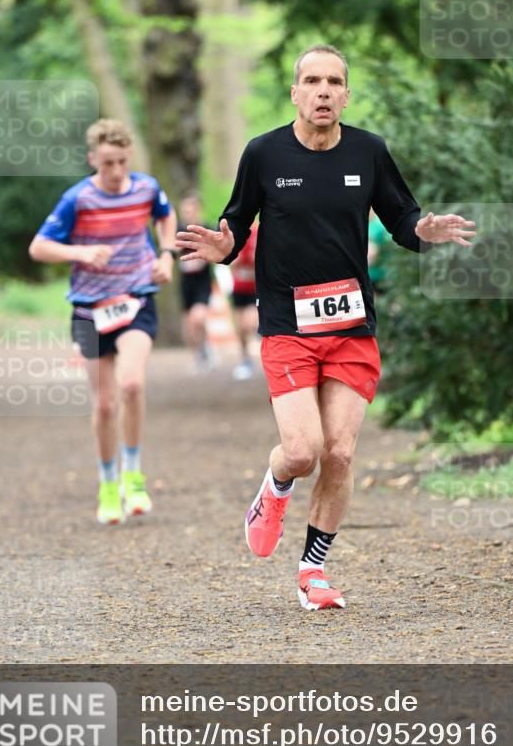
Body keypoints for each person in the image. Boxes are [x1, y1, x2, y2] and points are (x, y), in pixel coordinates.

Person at [177, 44, 476, 611]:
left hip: (351, 327)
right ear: (295, 92)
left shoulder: (369, 151)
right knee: (303, 450)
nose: (322, 91)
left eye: (333, 82)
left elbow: (403, 219)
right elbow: (235, 225)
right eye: (311, 81)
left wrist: (426, 231)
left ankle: (312, 572)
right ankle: (275, 485)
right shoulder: (263, 154)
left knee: (339, 453)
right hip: (287, 324)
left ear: (345, 94)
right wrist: (221, 246)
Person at [29, 119, 176, 525]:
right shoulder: (78, 199)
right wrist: (80, 254)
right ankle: (108, 484)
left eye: (122, 162)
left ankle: (134, 475)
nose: (115, 172)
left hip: (136, 300)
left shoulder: (146, 187)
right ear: (93, 158)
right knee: (106, 404)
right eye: (107, 163)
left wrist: (165, 255)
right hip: (89, 311)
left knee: (132, 383)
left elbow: (165, 215)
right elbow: (38, 247)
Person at [176, 194, 215, 371]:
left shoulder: (207, 230)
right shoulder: (178, 232)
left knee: (197, 318)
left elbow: (219, 255)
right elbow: (170, 252)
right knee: (189, 327)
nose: (187, 214)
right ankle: (199, 354)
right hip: (186, 284)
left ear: (198, 210)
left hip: (203, 282)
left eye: (190, 211)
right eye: (184, 211)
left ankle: (206, 347)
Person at [230, 222, 259, 380]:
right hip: (238, 288)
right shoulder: (234, 232)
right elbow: (230, 261)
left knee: (250, 323)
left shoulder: (258, 232)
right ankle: (245, 359)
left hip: (254, 288)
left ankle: (260, 335)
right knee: (240, 328)